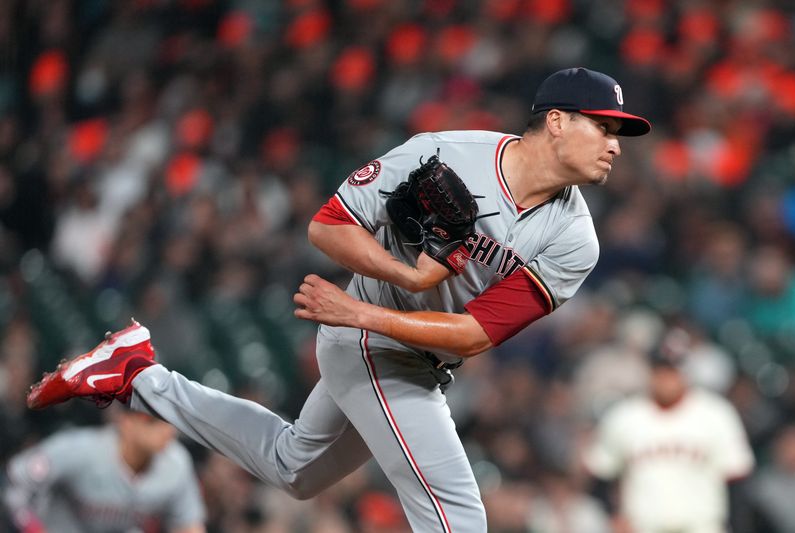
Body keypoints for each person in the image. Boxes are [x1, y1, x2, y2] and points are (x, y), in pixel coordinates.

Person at [26, 67, 651, 532]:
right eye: (606, 126)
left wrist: (373, 306)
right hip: (373, 344)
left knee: (292, 467)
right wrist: (399, 282)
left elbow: (473, 335)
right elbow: (326, 226)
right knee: (459, 516)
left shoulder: (575, 240)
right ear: (558, 120)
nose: (617, 143)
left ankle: (136, 374)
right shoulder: (443, 152)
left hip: (402, 342)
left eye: (621, 133)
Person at [582, 328, 754, 533]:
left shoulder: (716, 414)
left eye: (673, 370)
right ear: (650, 371)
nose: (667, 378)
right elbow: (601, 474)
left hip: (701, 526)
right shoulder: (624, 416)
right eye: (661, 370)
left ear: (685, 372)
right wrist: (613, 515)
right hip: (643, 526)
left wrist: (735, 525)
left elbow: (736, 478)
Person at [4, 409, 206, 533]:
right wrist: (33, 528)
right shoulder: (81, 449)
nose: (166, 429)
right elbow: (15, 479)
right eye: (152, 421)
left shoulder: (176, 465)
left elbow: (188, 526)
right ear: (126, 423)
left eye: (169, 420)